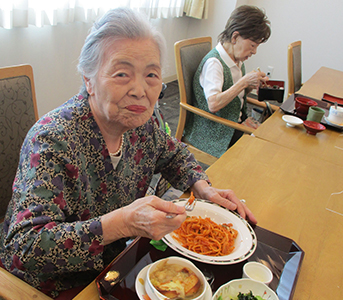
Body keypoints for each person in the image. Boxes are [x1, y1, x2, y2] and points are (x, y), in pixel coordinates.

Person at [0, 7, 256, 297]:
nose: (139, 90)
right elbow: (26, 247)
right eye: (122, 73)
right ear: (89, 79)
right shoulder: (51, 140)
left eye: (151, 75)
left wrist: (205, 188)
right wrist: (122, 223)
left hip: (116, 267)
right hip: (52, 285)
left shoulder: (140, 124)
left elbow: (174, 153)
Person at [184, 5, 271, 158]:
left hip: (231, 124)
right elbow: (213, 104)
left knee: (272, 138)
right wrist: (243, 82)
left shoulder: (236, 60)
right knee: (263, 152)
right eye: (252, 45)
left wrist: (250, 85)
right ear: (235, 37)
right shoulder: (214, 64)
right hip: (214, 133)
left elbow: (235, 95)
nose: (254, 51)